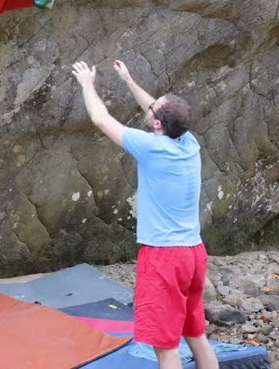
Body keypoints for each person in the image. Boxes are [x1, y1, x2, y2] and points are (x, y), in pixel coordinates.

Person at [70, 59, 219, 369]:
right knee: (196, 336)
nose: (148, 107)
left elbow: (100, 119)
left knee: (165, 348)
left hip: (164, 257)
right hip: (193, 254)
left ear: (157, 124)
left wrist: (86, 84)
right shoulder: (189, 143)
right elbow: (159, 109)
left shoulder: (151, 147)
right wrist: (128, 81)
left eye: (152, 109)